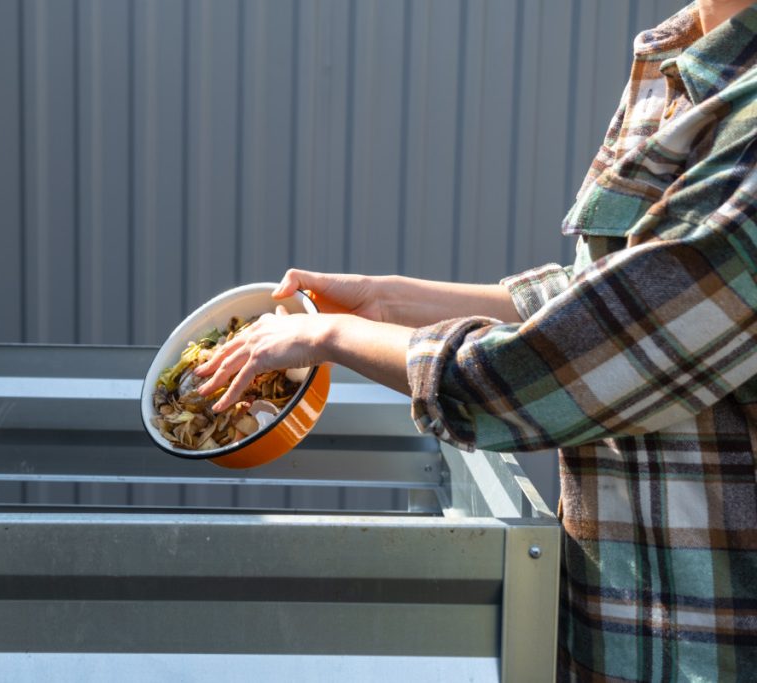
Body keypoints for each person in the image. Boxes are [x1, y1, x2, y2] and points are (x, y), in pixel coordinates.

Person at [195, 1, 757, 680]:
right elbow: (606, 296)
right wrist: (390, 300)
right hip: (618, 623)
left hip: (707, 645)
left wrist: (334, 333)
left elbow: (553, 369)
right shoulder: (679, 52)